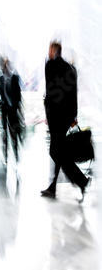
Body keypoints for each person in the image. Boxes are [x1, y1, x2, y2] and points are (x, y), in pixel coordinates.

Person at [41, 41, 90, 201]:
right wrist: (73, 117)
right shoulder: (71, 69)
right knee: (59, 151)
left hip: (55, 117)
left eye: (49, 50)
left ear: (54, 50)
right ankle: (54, 187)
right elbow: (73, 95)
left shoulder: (50, 66)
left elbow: (49, 92)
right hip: (66, 118)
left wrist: (48, 113)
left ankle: (81, 181)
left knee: (55, 152)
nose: (48, 53)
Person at [0, 57, 22, 165]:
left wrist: (18, 105)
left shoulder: (15, 78)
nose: (7, 68)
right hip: (5, 108)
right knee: (4, 132)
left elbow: (18, 93)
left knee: (14, 132)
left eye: (8, 66)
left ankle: (16, 153)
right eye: (5, 66)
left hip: (13, 109)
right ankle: (5, 155)